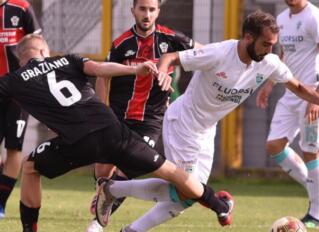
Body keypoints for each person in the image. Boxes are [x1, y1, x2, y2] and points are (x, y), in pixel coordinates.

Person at [102, 9, 319, 232]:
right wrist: (163, 74)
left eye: (273, 45)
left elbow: (297, 86)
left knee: (186, 198)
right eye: (266, 44)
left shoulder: (269, 62)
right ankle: (113, 190)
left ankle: (122, 211)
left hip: (207, 129)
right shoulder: (220, 52)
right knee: (188, 190)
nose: (270, 51)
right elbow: (171, 57)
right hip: (184, 123)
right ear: (248, 38)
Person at [0, 34, 233, 232]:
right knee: (172, 172)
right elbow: (101, 69)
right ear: (44, 50)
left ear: (21, 59)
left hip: (79, 143)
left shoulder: (12, 80)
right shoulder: (66, 60)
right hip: (114, 132)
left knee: (30, 167)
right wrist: (135, 69)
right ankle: (219, 206)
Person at [87, 0, 200, 231]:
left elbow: (207, 53)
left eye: (151, 10)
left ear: (158, 11)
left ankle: (96, 225)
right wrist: (101, 111)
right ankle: (104, 194)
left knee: (128, 167)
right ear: (133, 11)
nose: (147, 14)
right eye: (142, 9)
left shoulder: (171, 39)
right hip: (119, 116)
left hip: (150, 121)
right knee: (102, 171)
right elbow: (102, 76)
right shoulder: (121, 44)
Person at [256, 1, 319, 229]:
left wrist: (318, 98)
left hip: (314, 92)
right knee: (274, 146)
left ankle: (316, 215)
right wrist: (270, 84)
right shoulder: (282, 19)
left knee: (311, 151)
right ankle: (317, 189)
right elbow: (283, 55)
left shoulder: (315, 17)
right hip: (291, 94)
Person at [0, 0, 41, 219]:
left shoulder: (21, 7)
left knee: (14, 147)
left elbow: (38, 45)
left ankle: (1, 204)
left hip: (19, 91)